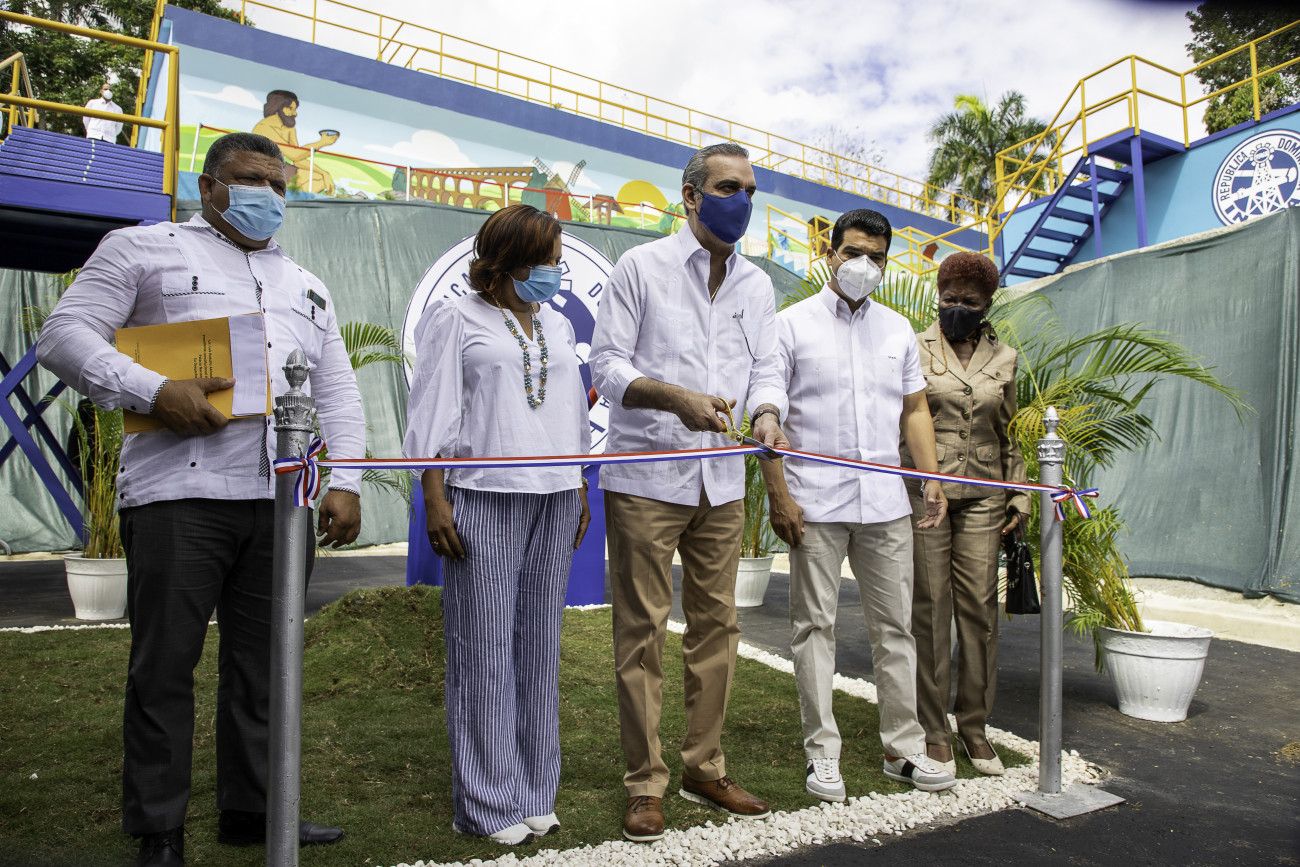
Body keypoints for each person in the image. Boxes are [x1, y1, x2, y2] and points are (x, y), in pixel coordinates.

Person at [36, 131, 363, 867]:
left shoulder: (306, 284)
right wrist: (154, 390)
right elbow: (64, 334)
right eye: (250, 180)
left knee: (268, 664)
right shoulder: (143, 248)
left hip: (282, 499)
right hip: (178, 494)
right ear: (208, 186)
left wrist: (344, 480)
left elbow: (337, 388)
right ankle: (160, 828)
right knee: (165, 665)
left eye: (278, 185)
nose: (266, 196)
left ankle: (255, 810)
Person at [590, 142, 788, 843]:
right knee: (641, 630)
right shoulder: (640, 268)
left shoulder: (756, 286)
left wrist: (766, 413)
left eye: (751, 191)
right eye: (729, 187)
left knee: (718, 627)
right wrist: (674, 398)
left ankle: (705, 766)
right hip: (647, 476)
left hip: (722, 479)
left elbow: (767, 367)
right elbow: (606, 365)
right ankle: (645, 784)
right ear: (692, 196)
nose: (743, 201)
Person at [403, 203, 591, 846]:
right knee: (482, 649)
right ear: (508, 261)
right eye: (546, 260)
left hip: (555, 495)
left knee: (539, 648)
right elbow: (431, 410)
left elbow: (569, 409)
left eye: (558, 259)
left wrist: (579, 483)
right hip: (482, 495)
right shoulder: (455, 317)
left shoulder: (557, 323)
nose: (556, 271)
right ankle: (486, 803)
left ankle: (535, 792)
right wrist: (434, 497)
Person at [760, 208, 957, 802]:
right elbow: (768, 400)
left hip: (885, 502)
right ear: (830, 254)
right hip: (815, 502)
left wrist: (930, 478)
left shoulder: (897, 330)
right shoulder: (790, 325)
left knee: (896, 628)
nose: (863, 265)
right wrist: (779, 490)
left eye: (876, 257)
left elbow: (914, 410)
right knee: (813, 627)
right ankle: (823, 754)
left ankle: (903, 749)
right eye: (853, 253)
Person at [903, 251, 1030, 777]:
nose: (957, 307)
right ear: (939, 295)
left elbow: (1011, 432)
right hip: (924, 492)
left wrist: (1020, 495)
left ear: (987, 305)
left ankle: (974, 725)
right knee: (930, 609)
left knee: (978, 609)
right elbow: (904, 417)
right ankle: (934, 729)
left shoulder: (1006, 358)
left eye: (969, 302)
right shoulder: (913, 346)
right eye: (949, 298)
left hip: (984, 493)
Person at [251, 90, 338, 195]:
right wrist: (321, 143)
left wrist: (324, 173)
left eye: (295, 109)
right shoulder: (264, 127)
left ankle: (295, 199)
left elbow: (298, 160)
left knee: (320, 177)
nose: (294, 113)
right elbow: (294, 154)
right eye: (290, 108)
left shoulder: (289, 128)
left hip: (281, 168)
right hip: (264, 170)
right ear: (278, 107)